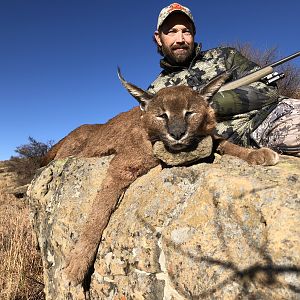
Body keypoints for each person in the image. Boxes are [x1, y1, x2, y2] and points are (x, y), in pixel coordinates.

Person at [148, 3, 300, 156]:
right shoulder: (155, 90)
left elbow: (268, 90)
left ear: (193, 34)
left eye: (186, 31)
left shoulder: (225, 56)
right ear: (159, 38)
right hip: (222, 146)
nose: (180, 39)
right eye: (172, 31)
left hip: (264, 119)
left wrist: (213, 104)